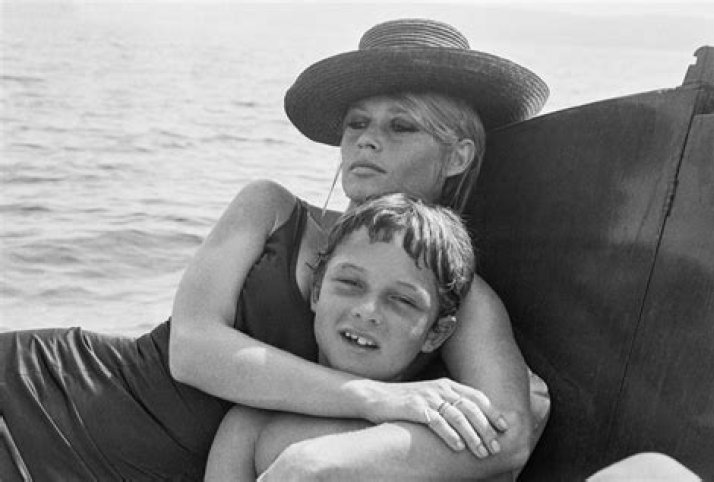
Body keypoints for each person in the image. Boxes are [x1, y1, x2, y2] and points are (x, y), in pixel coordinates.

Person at [0, 18, 550, 481]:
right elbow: (192, 350)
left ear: (457, 156)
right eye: (357, 123)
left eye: (400, 125)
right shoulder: (271, 208)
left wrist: (324, 457)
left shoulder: (463, 295)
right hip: (45, 397)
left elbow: (506, 436)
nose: (366, 139)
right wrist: (374, 397)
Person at [205, 192, 477, 481]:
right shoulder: (248, 427)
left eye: (402, 300)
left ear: (436, 333)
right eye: (351, 282)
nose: (367, 311)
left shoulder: (447, 432)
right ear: (317, 291)